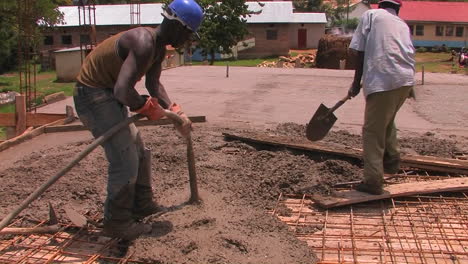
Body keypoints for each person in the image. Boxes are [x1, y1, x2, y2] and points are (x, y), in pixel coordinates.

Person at [73, 0, 204, 240]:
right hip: (93, 95)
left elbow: (153, 84)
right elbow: (123, 91)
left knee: (140, 152)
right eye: (188, 34)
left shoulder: (158, 48)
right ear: (178, 26)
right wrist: (144, 106)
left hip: (108, 94)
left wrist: (175, 111)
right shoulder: (144, 43)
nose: (188, 41)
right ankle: (117, 223)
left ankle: (142, 205)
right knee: (125, 161)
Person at [348, 0, 415, 195]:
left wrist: (355, 83)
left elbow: (358, 50)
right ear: (397, 9)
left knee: (372, 131)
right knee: (387, 120)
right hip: (405, 80)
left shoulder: (371, 16)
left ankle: (373, 181)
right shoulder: (402, 24)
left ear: (380, 6)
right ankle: (392, 160)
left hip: (384, 78)